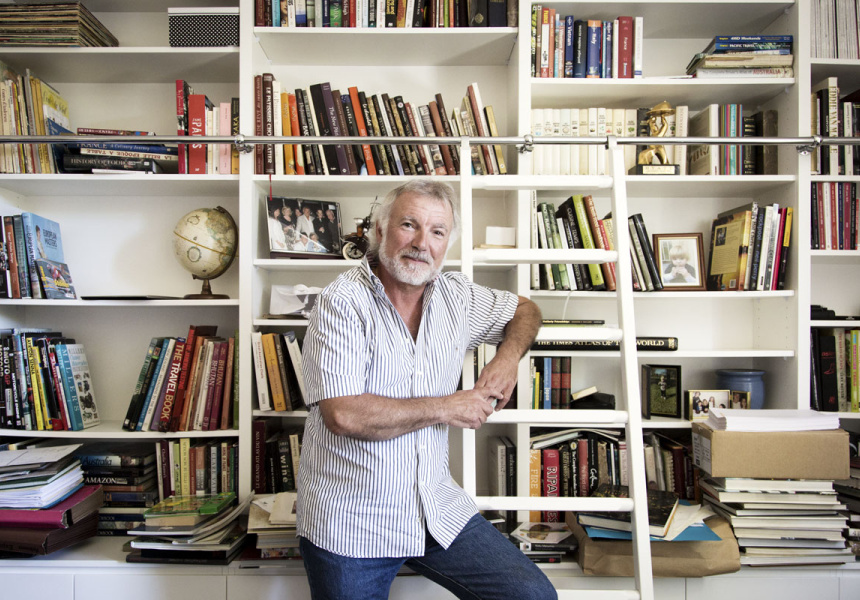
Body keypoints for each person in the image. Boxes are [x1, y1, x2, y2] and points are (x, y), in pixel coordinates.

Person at [296, 180, 555, 600]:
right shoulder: (340, 302)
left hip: (435, 507)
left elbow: (526, 310)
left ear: (447, 243)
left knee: (532, 596)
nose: (422, 243)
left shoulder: (457, 295)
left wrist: (507, 360)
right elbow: (343, 415)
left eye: (437, 231)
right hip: (351, 520)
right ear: (381, 230)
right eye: (409, 225)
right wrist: (447, 407)